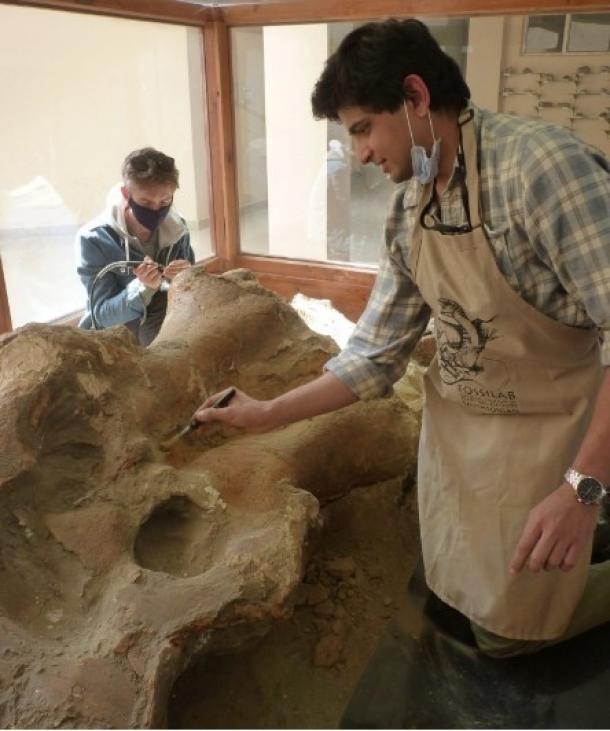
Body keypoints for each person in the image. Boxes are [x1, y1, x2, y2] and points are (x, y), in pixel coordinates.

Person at [194, 19, 610, 657]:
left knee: (506, 636)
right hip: (461, 439)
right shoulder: (411, 203)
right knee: (451, 589)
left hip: (549, 433)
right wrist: (266, 414)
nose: (358, 152)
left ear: (416, 98)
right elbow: (374, 356)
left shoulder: (540, 170)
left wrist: (581, 489)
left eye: (363, 128)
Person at [76, 147, 195, 346]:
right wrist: (142, 288)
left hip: (164, 329)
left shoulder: (178, 229)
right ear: (126, 193)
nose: (156, 210)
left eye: (165, 200)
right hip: (117, 345)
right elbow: (101, 315)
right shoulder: (94, 239)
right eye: (146, 202)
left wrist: (187, 277)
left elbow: (190, 293)